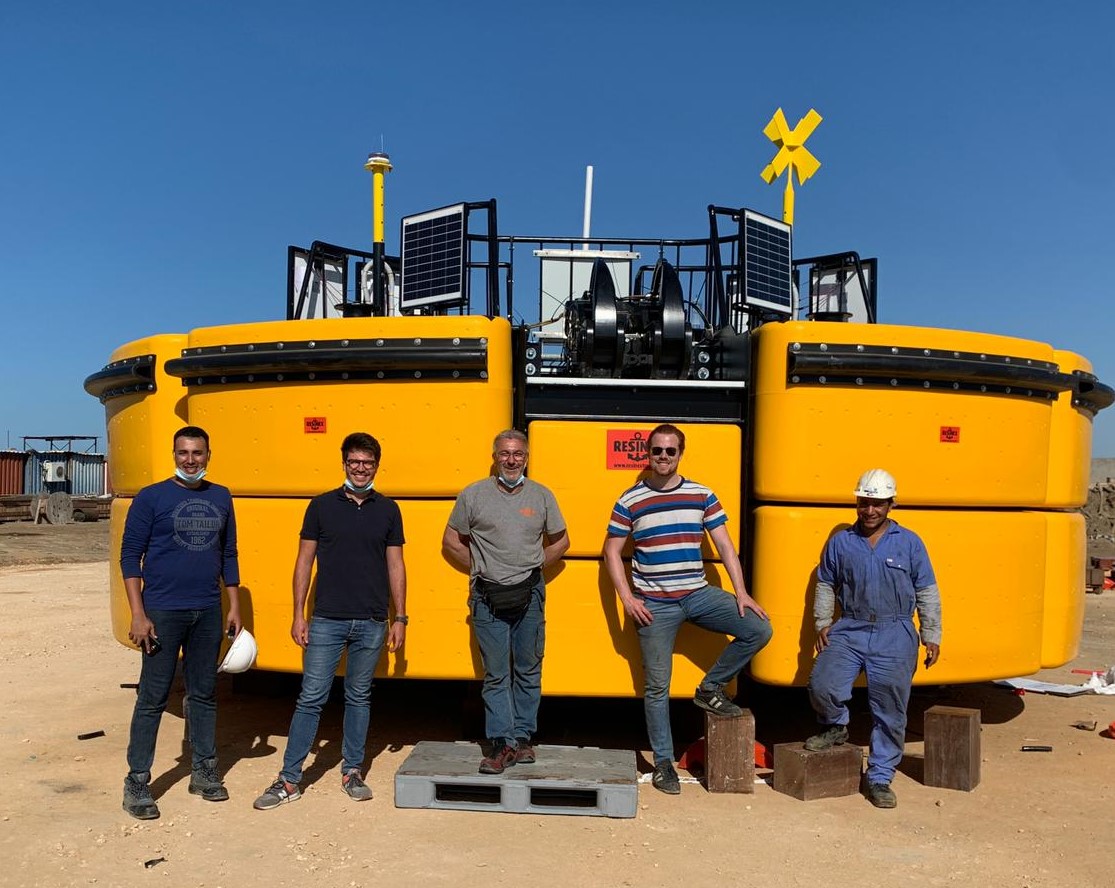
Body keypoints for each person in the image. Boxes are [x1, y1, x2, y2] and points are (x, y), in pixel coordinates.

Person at [604, 423, 772, 795]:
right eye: (657, 451)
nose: (663, 456)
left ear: (681, 453)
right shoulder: (630, 499)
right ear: (647, 454)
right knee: (656, 688)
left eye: (670, 451)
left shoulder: (702, 494)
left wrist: (741, 592)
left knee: (759, 629)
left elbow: (725, 546)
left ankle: (710, 688)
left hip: (698, 594)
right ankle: (664, 763)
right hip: (654, 606)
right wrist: (628, 598)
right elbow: (611, 551)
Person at [254, 432, 406, 810]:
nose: (360, 468)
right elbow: (304, 561)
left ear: (376, 466)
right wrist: (298, 614)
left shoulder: (389, 510)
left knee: (359, 697)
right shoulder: (321, 506)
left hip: (372, 620)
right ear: (344, 463)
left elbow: (396, 565)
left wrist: (399, 617)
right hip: (326, 619)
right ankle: (290, 779)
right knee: (311, 698)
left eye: (367, 462)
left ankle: (352, 771)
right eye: (354, 461)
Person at [120, 426, 241, 820]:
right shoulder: (151, 497)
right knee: (152, 697)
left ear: (209, 455)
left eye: (197, 453)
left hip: (206, 610)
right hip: (162, 613)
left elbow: (229, 554)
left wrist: (233, 606)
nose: (191, 460)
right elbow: (130, 557)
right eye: (184, 453)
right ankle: (138, 781)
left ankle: (204, 772)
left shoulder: (221, 496)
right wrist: (138, 613)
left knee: (204, 694)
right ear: (174, 454)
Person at [804, 468, 942, 809]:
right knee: (823, 685)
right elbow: (826, 583)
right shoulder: (841, 542)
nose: (869, 511)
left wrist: (931, 633)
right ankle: (835, 726)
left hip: (895, 631)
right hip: (850, 627)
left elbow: (927, 590)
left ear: (891, 504)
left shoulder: (909, 542)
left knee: (890, 709)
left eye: (877, 504)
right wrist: (822, 622)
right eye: (864, 503)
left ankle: (880, 777)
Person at [442, 429, 568, 774]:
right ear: (494, 457)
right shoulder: (473, 495)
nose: (511, 461)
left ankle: (523, 739)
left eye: (518, 454)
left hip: (531, 595)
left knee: (528, 669)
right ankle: (501, 743)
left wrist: (533, 566)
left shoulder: (541, 495)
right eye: (505, 454)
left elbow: (561, 541)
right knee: (496, 674)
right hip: (487, 596)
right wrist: (482, 567)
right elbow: (451, 541)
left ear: (526, 458)